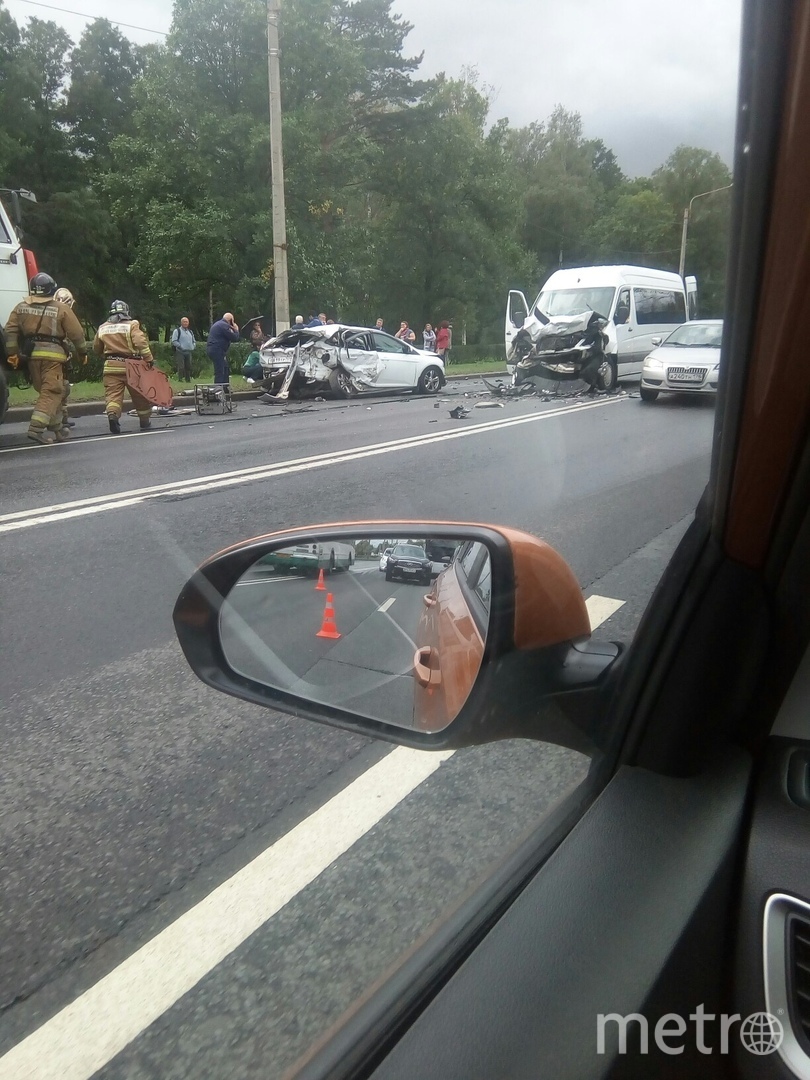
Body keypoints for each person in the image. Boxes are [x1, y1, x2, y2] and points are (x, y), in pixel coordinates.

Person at [4, 273, 87, 444]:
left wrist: (12, 353)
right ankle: (36, 428)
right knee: (53, 392)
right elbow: (77, 334)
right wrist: (82, 353)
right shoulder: (61, 308)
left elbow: (10, 331)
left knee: (49, 392)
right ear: (51, 289)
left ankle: (57, 430)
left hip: (31, 357)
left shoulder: (20, 307)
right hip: (53, 359)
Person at [93, 300, 156, 434]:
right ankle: (144, 421)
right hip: (131, 367)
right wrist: (149, 359)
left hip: (110, 366)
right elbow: (140, 342)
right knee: (140, 395)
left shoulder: (103, 327)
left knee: (113, 396)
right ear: (126, 312)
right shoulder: (132, 325)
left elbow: (96, 348)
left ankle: (112, 414)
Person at [53, 287, 80, 429]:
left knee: (60, 388)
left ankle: (62, 418)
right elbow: (76, 334)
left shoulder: (51, 312)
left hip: (57, 355)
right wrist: (82, 352)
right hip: (57, 357)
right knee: (61, 388)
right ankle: (57, 420)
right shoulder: (63, 314)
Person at [206, 312, 240, 386]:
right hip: (217, 350)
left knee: (225, 368)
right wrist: (236, 330)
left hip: (215, 349)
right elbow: (234, 337)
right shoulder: (224, 325)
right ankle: (217, 390)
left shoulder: (219, 324)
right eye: (233, 321)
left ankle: (225, 388)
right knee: (220, 371)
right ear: (230, 320)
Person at [170, 317, 196, 382]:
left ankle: (188, 379)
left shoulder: (190, 331)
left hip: (189, 352)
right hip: (180, 351)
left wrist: (193, 346)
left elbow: (194, 341)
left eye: (186, 322)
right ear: (181, 323)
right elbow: (174, 341)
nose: (185, 323)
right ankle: (180, 379)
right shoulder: (177, 331)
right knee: (181, 366)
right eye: (184, 321)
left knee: (188, 366)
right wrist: (181, 346)